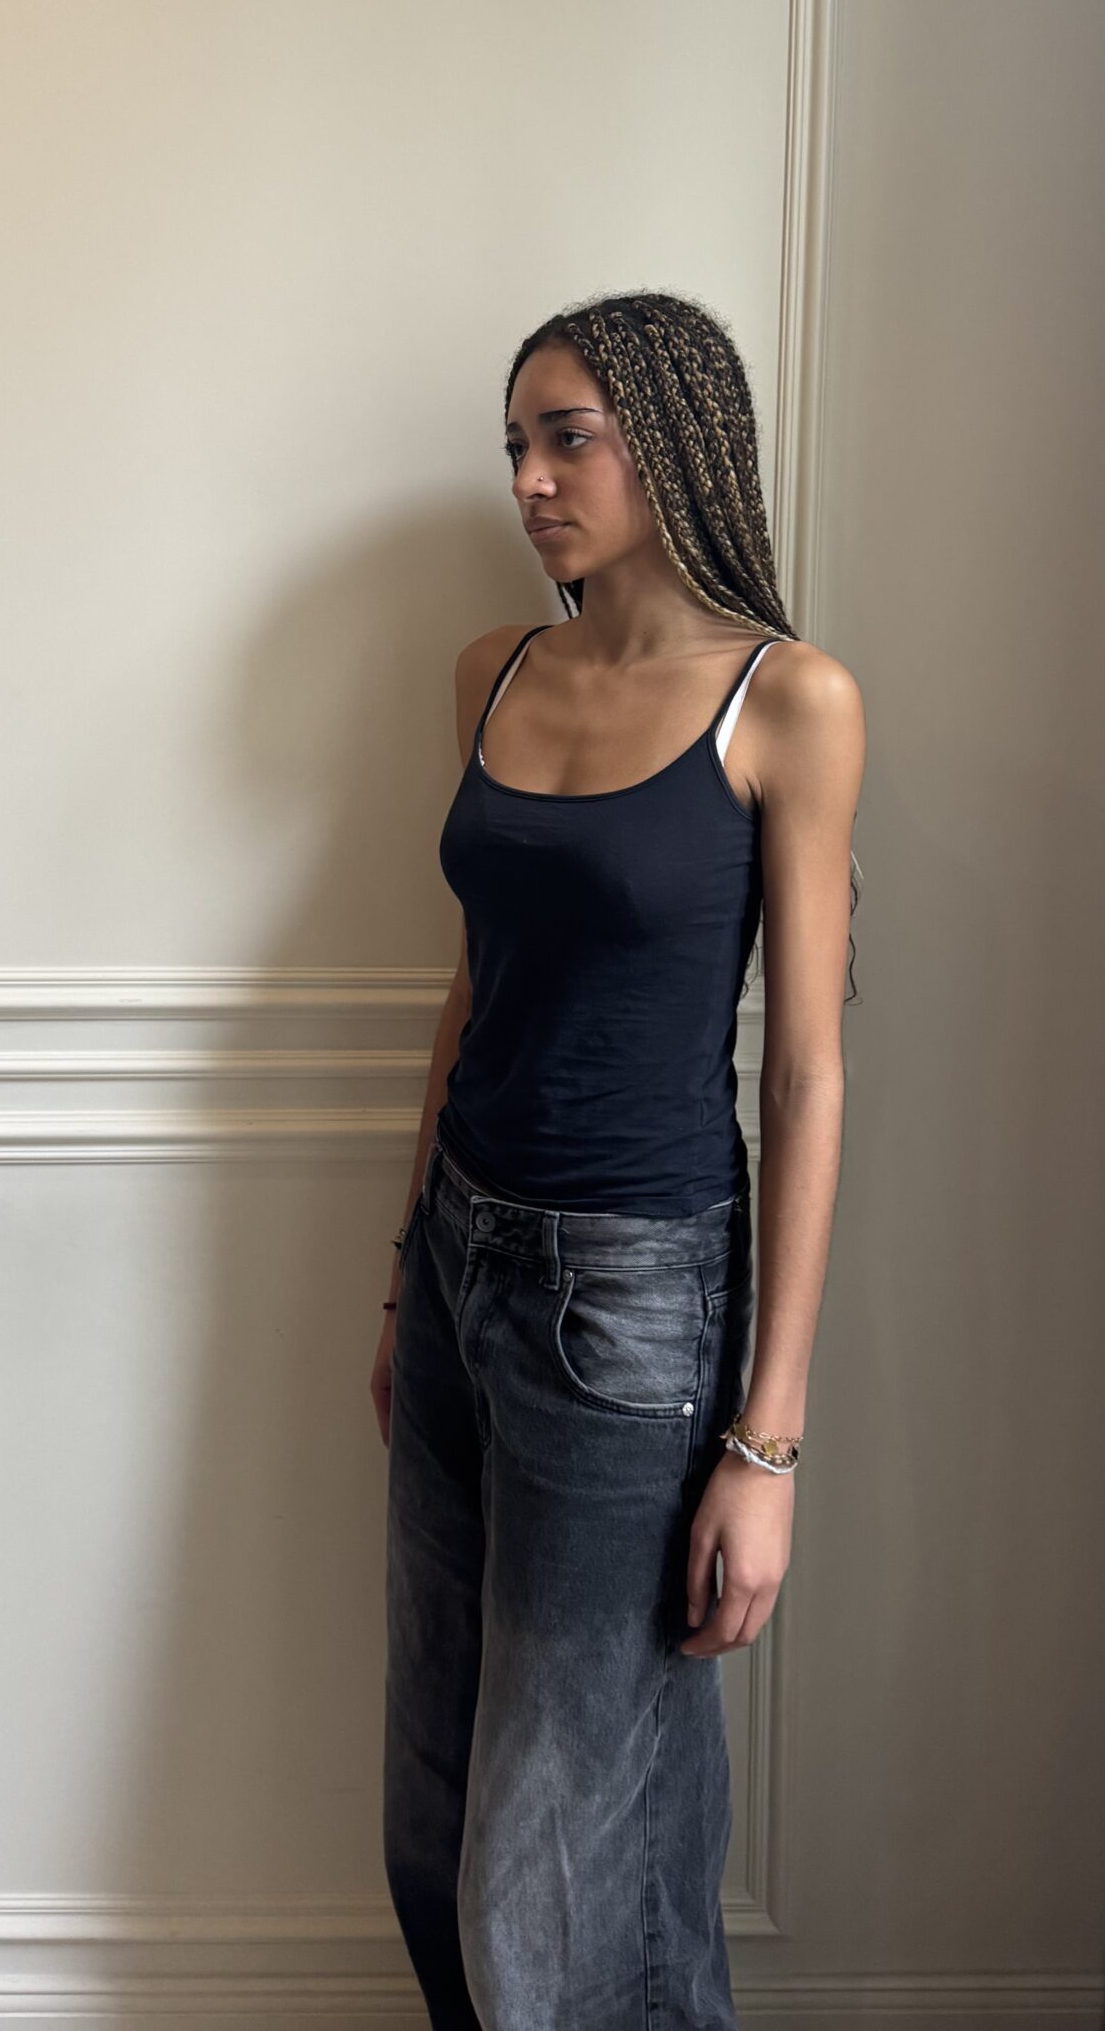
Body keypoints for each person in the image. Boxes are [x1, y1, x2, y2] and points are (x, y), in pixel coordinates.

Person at [373, 289, 865, 2031]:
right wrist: (407, 1277)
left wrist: (767, 1443)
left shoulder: (789, 702)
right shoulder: (492, 673)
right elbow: (472, 992)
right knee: (433, 1806)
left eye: (566, 437)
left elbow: (804, 1072)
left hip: (632, 1304)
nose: (529, 477)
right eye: (515, 443)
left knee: (555, 1847)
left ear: (672, 440)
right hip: (463, 1265)